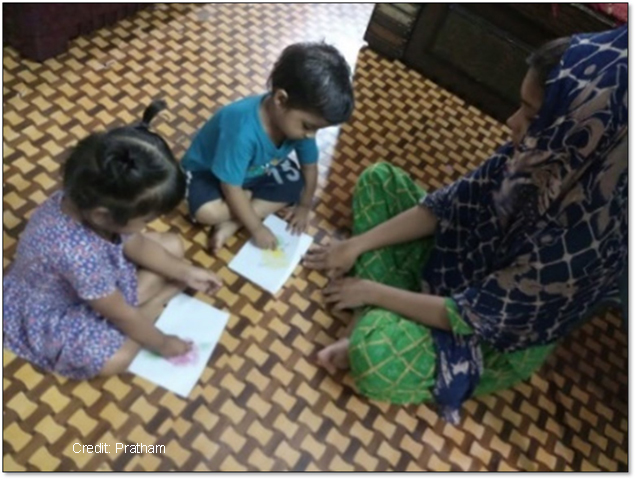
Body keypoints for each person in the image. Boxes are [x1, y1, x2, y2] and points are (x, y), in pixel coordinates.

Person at [304, 26, 627, 422]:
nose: (512, 122)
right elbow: (450, 203)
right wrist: (354, 246)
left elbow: (471, 316)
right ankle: (381, 309)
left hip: (486, 336)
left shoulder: (583, 239)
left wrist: (369, 289)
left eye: (530, 114)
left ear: (575, 129)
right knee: (380, 181)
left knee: (373, 355)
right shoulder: (536, 153)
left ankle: (377, 315)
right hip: (458, 269)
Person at [3, 100, 223, 380]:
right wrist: (164, 343)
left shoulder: (84, 198)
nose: (148, 225)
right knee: (115, 360)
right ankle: (155, 304)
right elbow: (120, 315)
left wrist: (185, 272)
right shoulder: (77, 254)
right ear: (103, 216)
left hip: (93, 282)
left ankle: (156, 298)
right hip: (58, 310)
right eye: (145, 219)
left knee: (173, 247)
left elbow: (137, 243)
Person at [182, 42, 354, 253]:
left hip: (255, 172)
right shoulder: (243, 130)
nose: (311, 136)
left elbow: (309, 166)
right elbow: (230, 186)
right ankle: (244, 213)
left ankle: (233, 223)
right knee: (206, 214)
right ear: (281, 100)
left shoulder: (297, 125)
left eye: (317, 129)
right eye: (308, 127)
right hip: (211, 174)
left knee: (296, 186)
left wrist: (304, 206)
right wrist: (257, 228)